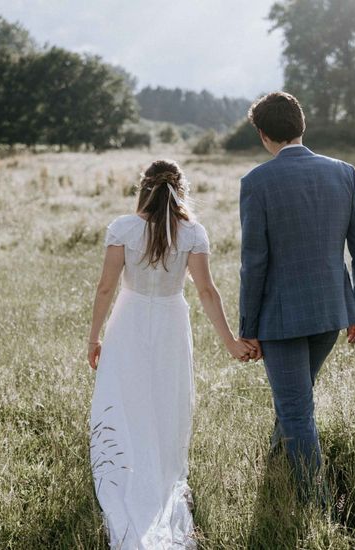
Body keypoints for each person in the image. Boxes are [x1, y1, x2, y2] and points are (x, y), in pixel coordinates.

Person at [87, 160, 255, 549]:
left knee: (127, 395)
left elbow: (104, 289)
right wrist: (230, 342)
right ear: (182, 189)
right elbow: (207, 292)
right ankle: (158, 471)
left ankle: (125, 465)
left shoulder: (123, 228)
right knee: (166, 397)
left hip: (127, 320)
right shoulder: (192, 232)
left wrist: (93, 338)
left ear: (143, 188)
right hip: (169, 322)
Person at [238, 92, 355, 502]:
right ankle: (275, 472)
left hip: (280, 321)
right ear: (302, 125)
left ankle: (315, 508)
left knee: (297, 410)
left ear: (264, 135)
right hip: (331, 312)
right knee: (295, 400)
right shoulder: (344, 173)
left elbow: (254, 263)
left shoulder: (256, 182)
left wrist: (248, 328)